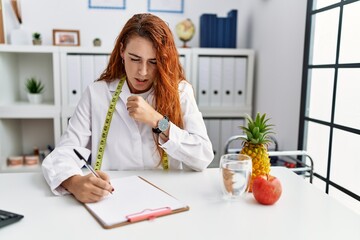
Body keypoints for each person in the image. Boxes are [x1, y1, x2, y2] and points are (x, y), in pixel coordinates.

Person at [42, 13, 214, 203]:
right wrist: (74, 183)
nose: (142, 72)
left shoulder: (180, 91)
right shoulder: (97, 93)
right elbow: (64, 153)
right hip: (112, 199)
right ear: (122, 51)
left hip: (166, 198)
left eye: (153, 62)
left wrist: (158, 121)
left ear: (164, 60)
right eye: (135, 59)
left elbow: (203, 156)